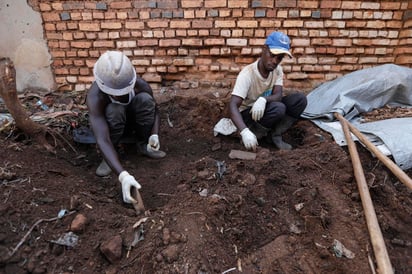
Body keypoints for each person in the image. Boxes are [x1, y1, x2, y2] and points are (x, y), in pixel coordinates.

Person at [87, 51, 166, 204]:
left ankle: (143, 145)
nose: (117, 95)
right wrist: (123, 176)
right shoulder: (95, 97)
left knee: (145, 100)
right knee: (114, 109)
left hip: (134, 123)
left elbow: (155, 110)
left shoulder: (140, 85)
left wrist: (154, 135)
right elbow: (102, 139)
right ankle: (110, 157)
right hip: (113, 127)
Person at [228, 31, 307, 151]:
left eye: (279, 58)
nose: (275, 61)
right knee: (278, 108)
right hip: (248, 116)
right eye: (272, 55)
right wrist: (244, 131)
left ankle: (274, 135)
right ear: (264, 49)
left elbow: (278, 95)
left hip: (266, 109)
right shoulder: (248, 74)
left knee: (299, 100)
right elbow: (233, 105)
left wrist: (263, 99)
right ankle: (254, 135)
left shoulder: (277, 70)